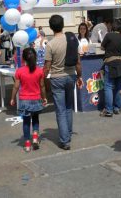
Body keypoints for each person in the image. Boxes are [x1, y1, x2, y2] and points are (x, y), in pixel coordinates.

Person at [44, 15, 84, 150]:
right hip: (71, 76)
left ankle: (65, 140)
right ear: (63, 25)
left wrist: (44, 80)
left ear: (50, 27)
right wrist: (79, 77)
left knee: (60, 110)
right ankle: (68, 133)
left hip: (57, 78)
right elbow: (78, 62)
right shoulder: (72, 40)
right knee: (68, 107)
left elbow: (47, 67)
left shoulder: (50, 44)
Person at [10, 48, 46, 152]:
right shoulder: (39, 71)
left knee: (26, 122)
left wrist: (12, 98)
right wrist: (44, 98)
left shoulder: (19, 71)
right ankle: (35, 136)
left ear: (23, 58)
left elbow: (16, 86)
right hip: (36, 98)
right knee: (35, 118)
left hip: (24, 100)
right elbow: (42, 86)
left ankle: (27, 144)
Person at [100, 22, 121, 117]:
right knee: (119, 86)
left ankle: (108, 110)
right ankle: (117, 108)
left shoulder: (109, 35)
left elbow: (102, 47)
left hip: (111, 63)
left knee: (108, 86)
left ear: (111, 28)